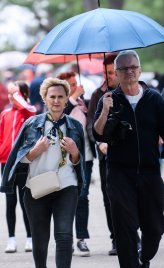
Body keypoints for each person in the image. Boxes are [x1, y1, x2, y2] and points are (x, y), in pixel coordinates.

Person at [93, 50, 164, 268]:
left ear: (139, 69)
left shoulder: (154, 99)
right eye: (124, 68)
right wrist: (105, 110)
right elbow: (97, 134)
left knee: (155, 227)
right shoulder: (108, 99)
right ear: (115, 74)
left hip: (150, 171)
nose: (129, 71)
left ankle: (144, 260)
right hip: (119, 172)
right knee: (125, 227)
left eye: (133, 67)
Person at [0, 77, 86, 268]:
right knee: (40, 238)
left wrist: (75, 152)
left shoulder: (74, 126)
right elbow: (17, 158)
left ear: (67, 99)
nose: (56, 101)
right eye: (52, 97)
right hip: (36, 187)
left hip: (67, 186)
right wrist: (35, 152)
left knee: (65, 235)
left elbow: (79, 162)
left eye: (60, 97)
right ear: (45, 99)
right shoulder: (31, 124)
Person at [0, 81, 36, 253]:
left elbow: (31, 110)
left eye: (15, 93)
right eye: (9, 94)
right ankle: (11, 239)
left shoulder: (29, 112)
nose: (11, 97)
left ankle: (30, 238)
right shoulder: (4, 114)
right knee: (10, 202)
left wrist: (21, 100)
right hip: (6, 163)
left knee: (26, 202)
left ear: (24, 94)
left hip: (24, 163)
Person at [57, 71, 94, 257]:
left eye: (74, 83)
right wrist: (72, 96)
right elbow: (61, 116)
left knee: (82, 197)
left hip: (86, 157)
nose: (74, 86)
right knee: (66, 198)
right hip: (66, 158)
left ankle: (81, 238)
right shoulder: (61, 103)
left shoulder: (82, 103)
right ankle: (66, 238)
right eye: (70, 85)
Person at [87, 53, 119, 255]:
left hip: (128, 155)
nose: (107, 76)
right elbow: (91, 124)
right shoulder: (97, 95)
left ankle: (134, 236)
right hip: (105, 156)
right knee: (109, 199)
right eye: (105, 73)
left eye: (111, 72)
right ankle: (116, 238)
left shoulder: (130, 92)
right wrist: (99, 142)